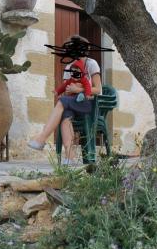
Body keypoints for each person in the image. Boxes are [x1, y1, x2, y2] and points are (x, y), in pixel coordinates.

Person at [28, 35, 102, 165]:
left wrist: (79, 90)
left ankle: (42, 138)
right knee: (65, 115)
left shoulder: (91, 64)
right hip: (72, 102)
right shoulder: (69, 67)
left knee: (62, 103)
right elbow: (66, 87)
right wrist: (65, 91)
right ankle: (69, 157)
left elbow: (98, 89)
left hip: (87, 103)